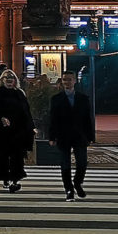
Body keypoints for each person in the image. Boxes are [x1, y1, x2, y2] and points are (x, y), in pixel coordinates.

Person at [48, 69, 95, 201]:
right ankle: (68, 189)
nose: (67, 82)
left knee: (82, 163)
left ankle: (77, 182)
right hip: (63, 134)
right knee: (65, 164)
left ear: (74, 81)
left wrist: (90, 136)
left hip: (80, 135)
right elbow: (53, 119)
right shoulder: (56, 99)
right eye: (64, 80)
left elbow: (88, 118)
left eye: (69, 79)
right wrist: (52, 137)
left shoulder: (83, 98)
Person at [0, 69, 34, 193]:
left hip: (18, 129)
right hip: (3, 131)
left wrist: (31, 126)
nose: (9, 81)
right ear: (2, 80)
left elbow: (26, 111)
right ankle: (5, 178)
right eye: (7, 79)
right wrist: (1, 118)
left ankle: (15, 180)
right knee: (3, 156)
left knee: (18, 156)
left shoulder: (19, 93)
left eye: (12, 79)